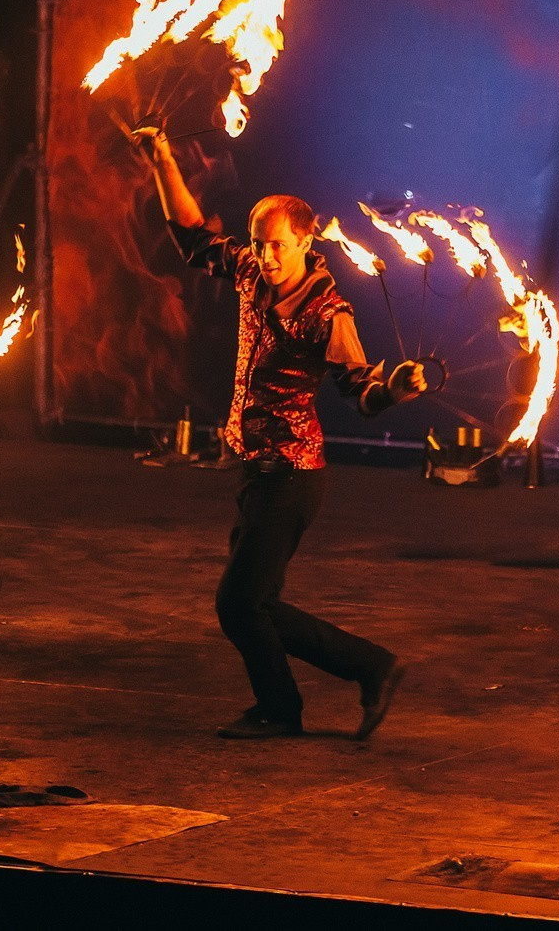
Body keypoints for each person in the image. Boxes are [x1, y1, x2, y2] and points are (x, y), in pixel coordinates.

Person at [134, 126, 428, 740]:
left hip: (291, 477)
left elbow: (363, 394)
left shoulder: (329, 311)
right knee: (256, 605)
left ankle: (284, 708)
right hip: (255, 470)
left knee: (237, 606)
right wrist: (164, 159)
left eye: (274, 247)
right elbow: (192, 239)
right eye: (258, 246)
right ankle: (370, 668)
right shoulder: (249, 271)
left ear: (305, 240)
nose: (263, 257)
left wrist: (397, 388)